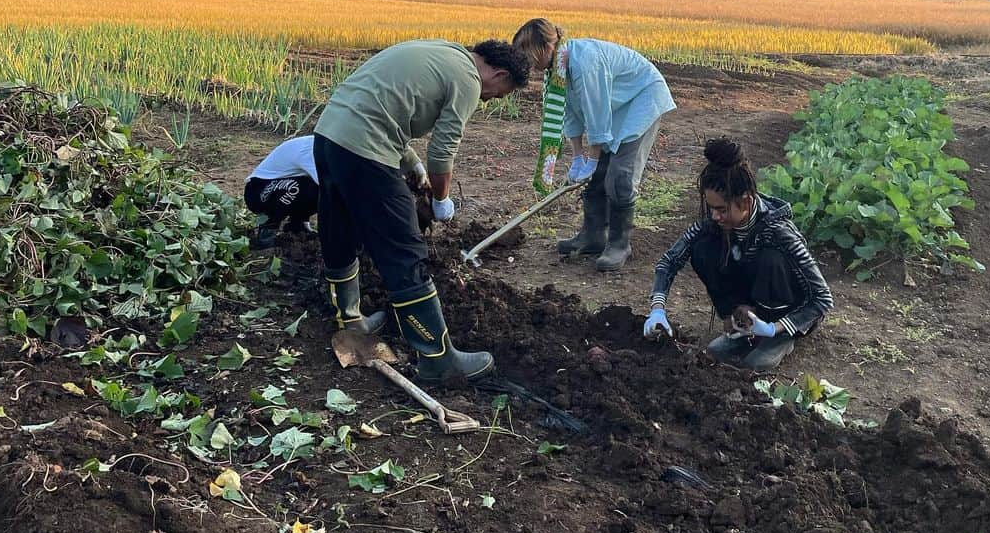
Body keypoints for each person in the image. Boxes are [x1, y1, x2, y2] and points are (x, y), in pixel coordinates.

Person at [313, 38, 531, 383]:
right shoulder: (468, 80)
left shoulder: (440, 51)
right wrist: (441, 201)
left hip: (329, 137)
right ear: (500, 73)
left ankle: (350, 319)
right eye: (499, 93)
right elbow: (443, 153)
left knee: (340, 228)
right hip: (365, 150)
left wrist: (411, 164)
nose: (490, 101)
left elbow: (385, 107)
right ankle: (438, 359)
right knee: (404, 249)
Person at [643, 137, 833, 371]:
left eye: (721, 209)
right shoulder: (712, 224)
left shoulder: (779, 232)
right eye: (711, 208)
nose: (714, 216)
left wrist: (774, 328)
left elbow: (822, 299)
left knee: (770, 261)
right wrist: (657, 310)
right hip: (751, 298)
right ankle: (741, 325)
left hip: (786, 311)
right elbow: (669, 262)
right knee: (703, 249)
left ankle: (776, 337)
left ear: (745, 201)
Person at [512, 19, 676, 272]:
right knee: (595, 174)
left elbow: (596, 115)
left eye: (528, 54)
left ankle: (620, 244)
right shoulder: (557, 69)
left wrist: (592, 159)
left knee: (619, 174)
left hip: (641, 99)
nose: (528, 62)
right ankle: (593, 236)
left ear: (545, 47)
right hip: (617, 105)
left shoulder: (584, 62)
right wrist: (579, 159)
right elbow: (572, 114)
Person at [244, 135, 320, 250]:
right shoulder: (310, 149)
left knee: (313, 188)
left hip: (280, 186)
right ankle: (268, 228)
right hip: (257, 192)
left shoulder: (322, 146)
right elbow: (326, 184)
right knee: (305, 187)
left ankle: (297, 225)